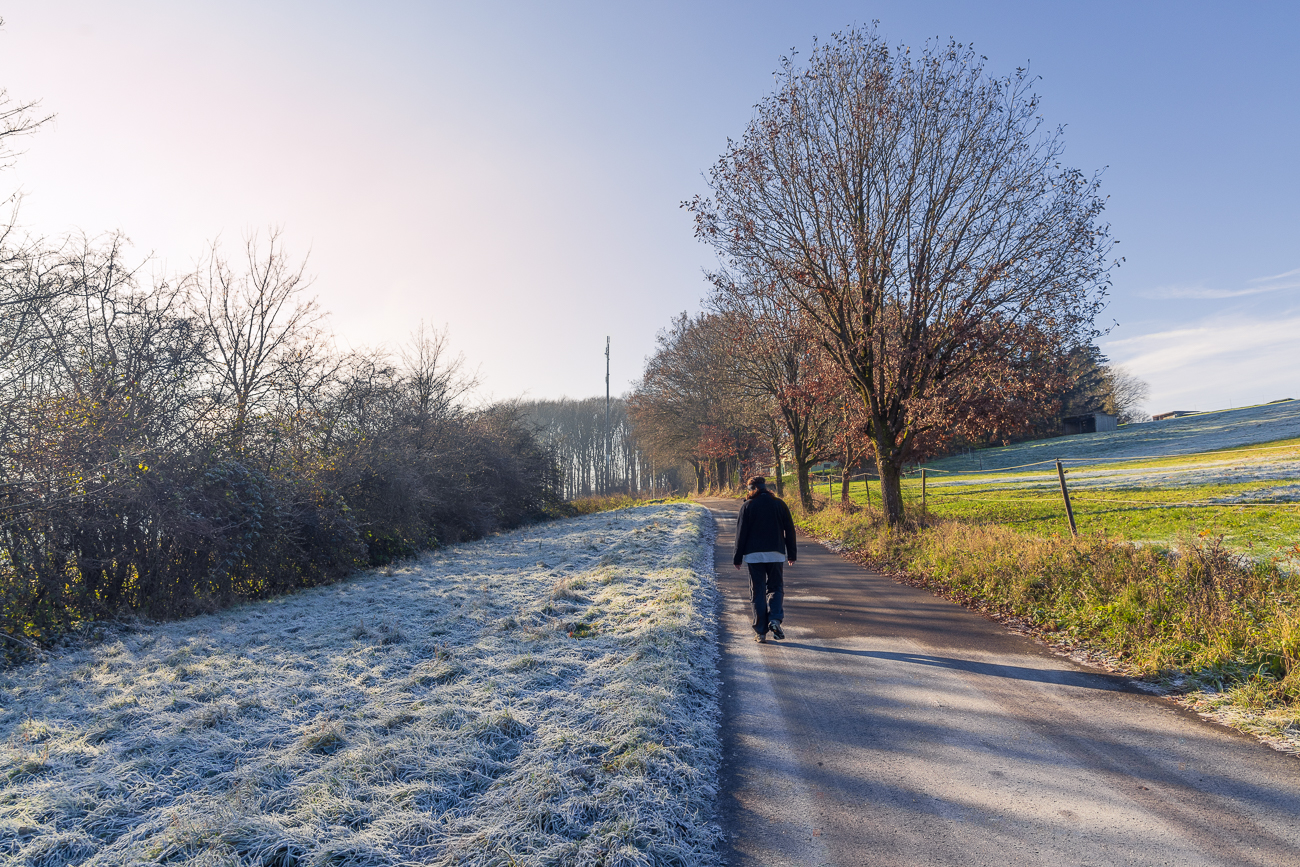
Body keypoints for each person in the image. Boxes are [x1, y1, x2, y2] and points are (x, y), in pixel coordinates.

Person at [733, 476, 796, 643]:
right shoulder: (779, 504)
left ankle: (761, 632)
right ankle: (774, 619)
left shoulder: (747, 506)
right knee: (775, 587)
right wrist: (792, 553)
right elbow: (790, 530)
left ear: (751, 488)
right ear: (765, 487)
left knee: (758, 591)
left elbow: (741, 534)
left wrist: (737, 557)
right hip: (775, 553)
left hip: (754, 556)